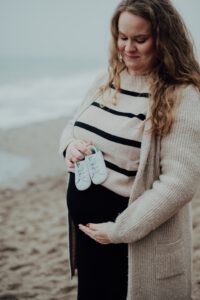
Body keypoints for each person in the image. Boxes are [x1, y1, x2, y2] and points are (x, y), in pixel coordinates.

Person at [59, 0, 200, 299]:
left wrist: (119, 231)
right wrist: (70, 146)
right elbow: (74, 123)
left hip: (133, 242)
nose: (128, 48)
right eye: (122, 37)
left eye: (140, 39)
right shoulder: (108, 77)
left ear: (164, 40)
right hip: (89, 237)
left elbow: (180, 183)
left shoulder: (183, 95)